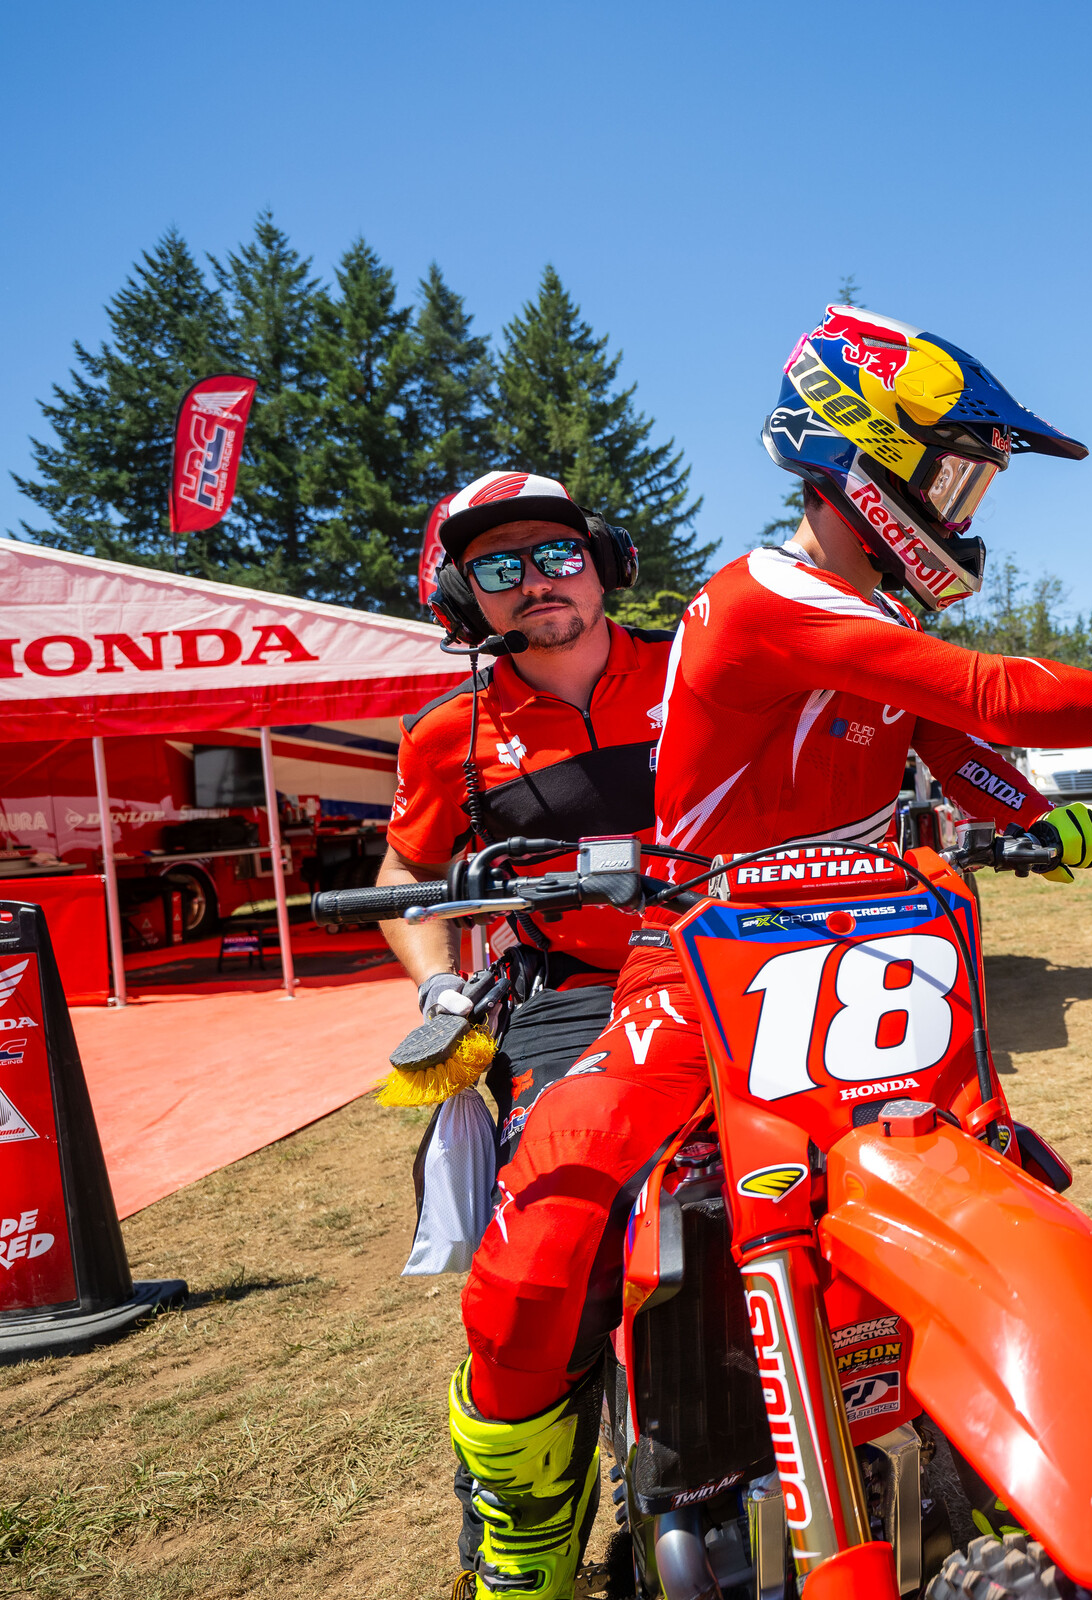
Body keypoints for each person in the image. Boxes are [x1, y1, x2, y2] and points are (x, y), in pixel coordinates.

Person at [442, 305, 1092, 1600]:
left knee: (986, 1157)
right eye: (954, 472)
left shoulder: (855, 608)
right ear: (860, 463)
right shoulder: (759, 596)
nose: (967, 505)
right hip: (703, 962)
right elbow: (986, 691)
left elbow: (952, 743)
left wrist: (1037, 820)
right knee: (553, 1208)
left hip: (860, 945)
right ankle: (522, 1524)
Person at [378, 470, 674, 1595]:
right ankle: (519, 1544)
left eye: (554, 554)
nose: (534, 583)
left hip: (751, 972)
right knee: (554, 1251)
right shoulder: (450, 731)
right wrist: (438, 989)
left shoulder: (704, 670)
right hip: (578, 994)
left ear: (603, 561)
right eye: (497, 569)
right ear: (464, 598)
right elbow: (406, 868)